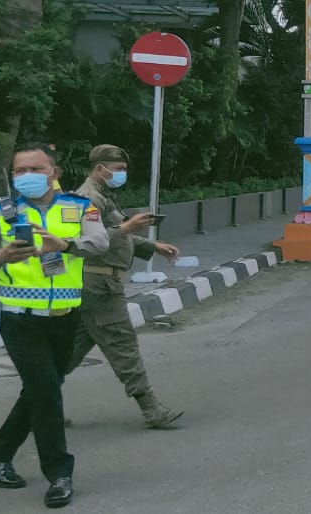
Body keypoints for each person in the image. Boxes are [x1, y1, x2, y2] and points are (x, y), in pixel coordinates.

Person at [0, 143, 110, 508]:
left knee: (39, 391)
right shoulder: (0, 212)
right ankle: (59, 474)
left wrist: (66, 245)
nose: (27, 176)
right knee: (46, 392)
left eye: (36, 169)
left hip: (66, 319)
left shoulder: (79, 207)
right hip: (19, 320)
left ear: (54, 173)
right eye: (20, 170)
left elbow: (100, 242)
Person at [63, 145, 184, 430]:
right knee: (122, 344)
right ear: (100, 168)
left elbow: (117, 235)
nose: (122, 175)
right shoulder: (87, 198)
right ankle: (151, 409)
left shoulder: (103, 196)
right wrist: (127, 228)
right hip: (99, 284)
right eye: (118, 169)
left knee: (67, 354)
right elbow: (85, 242)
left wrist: (151, 246)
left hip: (98, 283)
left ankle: (34, 406)